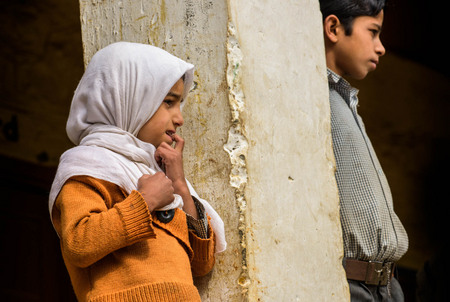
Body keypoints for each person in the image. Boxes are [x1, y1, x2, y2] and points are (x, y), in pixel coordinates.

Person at [48, 41, 226, 302]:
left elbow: (201, 263)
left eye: (180, 104)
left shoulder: (155, 173)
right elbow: (79, 243)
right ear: (129, 97)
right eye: (168, 102)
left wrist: (179, 184)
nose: (179, 118)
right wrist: (145, 202)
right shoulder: (87, 166)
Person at [319, 0, 408, 301]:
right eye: (373, 32)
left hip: (386, 287)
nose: (380, 47)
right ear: (333, 28)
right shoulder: (314, 96)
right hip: (353, 286)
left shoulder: (346, 100)